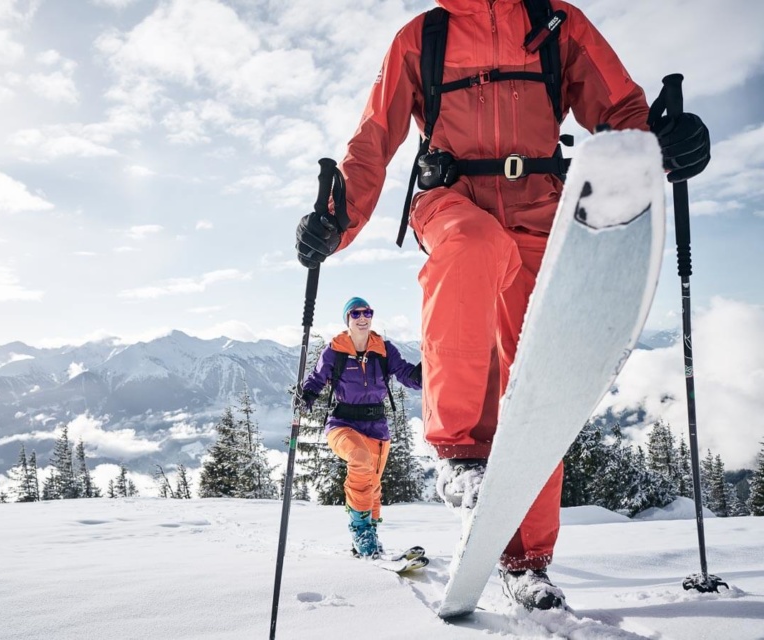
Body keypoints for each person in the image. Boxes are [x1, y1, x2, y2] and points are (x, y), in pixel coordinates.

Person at [295, 0, 710, 609]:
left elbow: (618, 109)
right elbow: (374, 139)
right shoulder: (422, 37)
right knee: (469, 246)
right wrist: (338, 220)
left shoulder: (556, 23)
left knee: (536, 382)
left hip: (543, 206)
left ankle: (527, 562)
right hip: (453, 199)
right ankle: (460, 453)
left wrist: (663, 141)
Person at [295, 297, 422, 557]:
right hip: (342, 423)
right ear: (348, 319)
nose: (363, 318)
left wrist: (429, 369)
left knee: (372, 484)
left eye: (368, 312)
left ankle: (370, 536)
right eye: (356, 314)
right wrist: (305, 397)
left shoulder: (385, 350)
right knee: (359, 458)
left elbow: (408, 376)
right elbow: (316, 380)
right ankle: (359, 528)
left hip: (377, 427)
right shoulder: (335, 350)